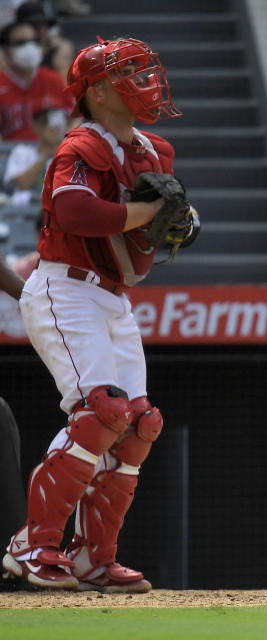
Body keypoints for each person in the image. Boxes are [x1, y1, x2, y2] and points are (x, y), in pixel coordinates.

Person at [1, 37, 196, 592]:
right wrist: (149, 212)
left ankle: (93, 558)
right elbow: (74, 210)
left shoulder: (152, 149)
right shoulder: (80, 144)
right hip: (66, 289)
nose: (147, 80)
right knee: (100, 413)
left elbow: (173, 216)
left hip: (111, 296)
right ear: (102, 89)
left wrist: (182, 221)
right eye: (132, 72)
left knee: (138, 424)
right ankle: (32, 545)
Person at [0, 20, 73, 141]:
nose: (29, 47)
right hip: (9, 156)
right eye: (21, 43)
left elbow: (74, 118)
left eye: (34, 41)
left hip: (51, 153)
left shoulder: (52, 79)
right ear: (6, 50)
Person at [4, 106, 67, 206]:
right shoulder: (21, 151)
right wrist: (45, 154)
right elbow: (23, 184)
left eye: (56, 121)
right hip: (22, 214)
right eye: (44, 121)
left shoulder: (68, 154)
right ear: (35, 125)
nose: (51, 127)